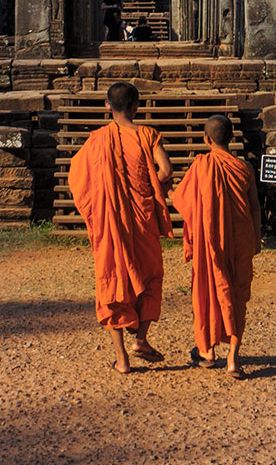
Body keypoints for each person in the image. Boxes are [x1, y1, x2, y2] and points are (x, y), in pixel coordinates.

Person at [67, 80, 174, 374]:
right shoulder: (147, 134)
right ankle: (141, 338)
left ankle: (122, 360)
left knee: (112, 282)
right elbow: (166, 170)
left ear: (107, 107)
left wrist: (99, 204)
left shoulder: (96, 140)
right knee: (151, 276)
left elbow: (76, 179)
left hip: (110, 223)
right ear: (136, 107)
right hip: (143, 220)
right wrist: (155, 187)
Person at [170, 113, 263, 379]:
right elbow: (255, 207)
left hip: (211, 243)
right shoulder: (244, 168)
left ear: (206, 139)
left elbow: (184, 201)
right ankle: (233, 359)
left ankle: (208, 351)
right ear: (232, 138)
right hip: (241, 241)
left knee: (208, 292)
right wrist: (256, 239)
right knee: (237, 296)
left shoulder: (201, 166)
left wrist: (166, 192)